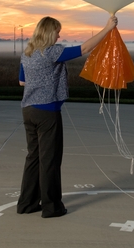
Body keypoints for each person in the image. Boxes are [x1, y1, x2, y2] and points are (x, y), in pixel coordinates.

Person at [17, 14, 117, 218]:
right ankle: (52, 207)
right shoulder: (52, 52)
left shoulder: (27, 53)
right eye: (57, 31)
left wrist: (39, 80)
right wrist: (107, 28)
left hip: (28, 110)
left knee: (33, 158)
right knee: (49, 160)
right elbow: (85, 49)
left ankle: (26, 203)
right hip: (47, 112)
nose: (59, 35)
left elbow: (22, 82)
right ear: (48, 32)